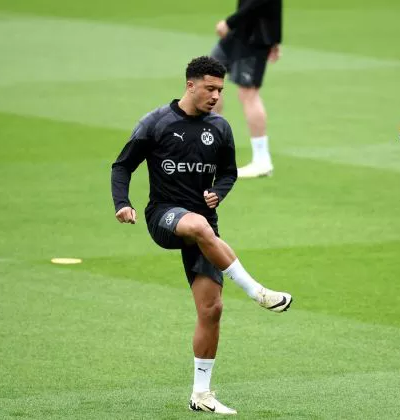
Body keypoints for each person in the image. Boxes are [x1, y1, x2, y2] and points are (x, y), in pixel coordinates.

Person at [110, 56, 292, 415]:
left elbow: (228, 173)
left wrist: (218, 193)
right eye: (210, 88)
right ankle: (256, 291)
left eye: (220, 90)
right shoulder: (156, 123)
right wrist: (122, 203)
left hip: (206, 226)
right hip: (164, 217)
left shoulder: (220, 128)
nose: (215, 96)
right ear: (190, 85)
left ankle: (201, 394)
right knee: (196, 225)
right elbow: (122, 165)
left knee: (212, 310)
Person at [211, 0, 282, 178]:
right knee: (208, 75)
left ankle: (262, 160)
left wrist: (229, 22)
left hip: (254, 37)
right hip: (240, 32)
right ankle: (212, 149)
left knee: (248, 93)